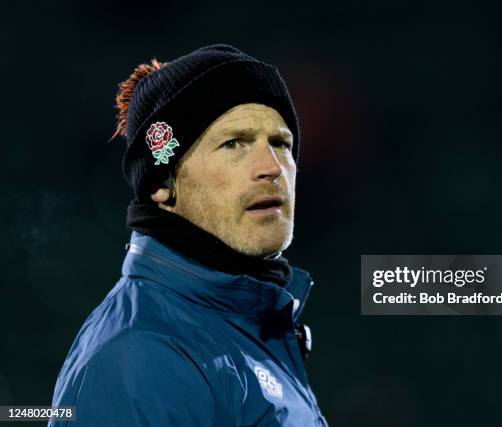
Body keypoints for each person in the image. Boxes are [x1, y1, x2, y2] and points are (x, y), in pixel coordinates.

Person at [49, 44, 328, 426]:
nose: (272, 167)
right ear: (162, 182)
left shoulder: (249, 328)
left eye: (280, 143)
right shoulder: (141, 356)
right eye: (234, 144)